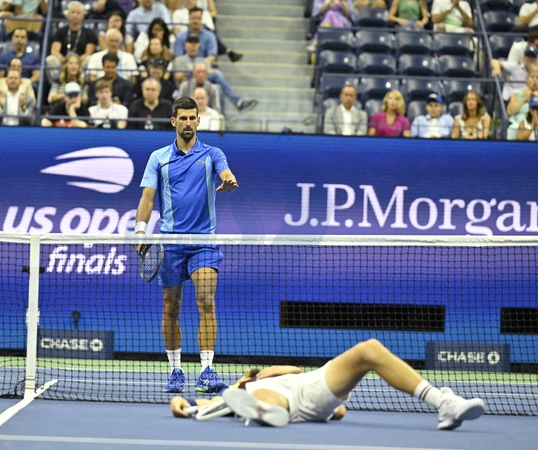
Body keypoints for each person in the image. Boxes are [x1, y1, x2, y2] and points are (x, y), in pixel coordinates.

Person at [134, 96, 239, 394]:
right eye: (183, 118)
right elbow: (147, 198)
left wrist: (228, 179)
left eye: (193, 118)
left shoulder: (213, 153)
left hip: (203, 242)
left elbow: (225, 171)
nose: (189, 123)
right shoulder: (158, 158)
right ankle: (175, 370)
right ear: (174, 121)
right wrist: (140, 230)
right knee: (171, 306)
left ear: (199, 121)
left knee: (206, 302)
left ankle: (206, 371)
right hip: (171, 243)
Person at [169, 339, 485, 430]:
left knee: (370, 350)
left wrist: (257, 375)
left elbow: (294, 371)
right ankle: (264, 411)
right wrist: (185, 404)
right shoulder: (240, 390)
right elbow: (192, 403)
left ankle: (444, 403)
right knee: (257, 397)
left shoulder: (261, 377)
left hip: (310, 384)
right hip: (278, 398)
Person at [171, 36, 257, 113]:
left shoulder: (203, 60)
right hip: (188, 83)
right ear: (186, 45)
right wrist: (194, 71)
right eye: (190, 43)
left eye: (195, 44)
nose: (193, 46)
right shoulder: (179, 60)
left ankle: (220, 117)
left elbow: (208, 74)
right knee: (217, 75)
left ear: (199, 46)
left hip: (204, 84)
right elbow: (178, 77)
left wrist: (200, 72)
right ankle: (238, 102)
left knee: (218, 87)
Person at [45, 1, 98, 82]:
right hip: (63, 63)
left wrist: (75, 63)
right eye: (73, 12)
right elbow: (54, 51)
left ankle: (82, 82)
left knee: (89, 59)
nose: (75, 15)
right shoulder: (60, 31)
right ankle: (57, 82)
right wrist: (67, 62)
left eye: (78, 13)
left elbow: (88, 53)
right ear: (68, 14)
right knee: (50, 59)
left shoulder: (89, 33)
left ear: (83, 15)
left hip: (80, 63)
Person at [506, 68, 538, 140]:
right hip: (518, 124)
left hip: (537, 124)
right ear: (527, 79)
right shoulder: (517, 93)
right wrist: (524, 99)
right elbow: (510, 111)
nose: (535, 80)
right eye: (532, 77)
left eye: (537, 78)